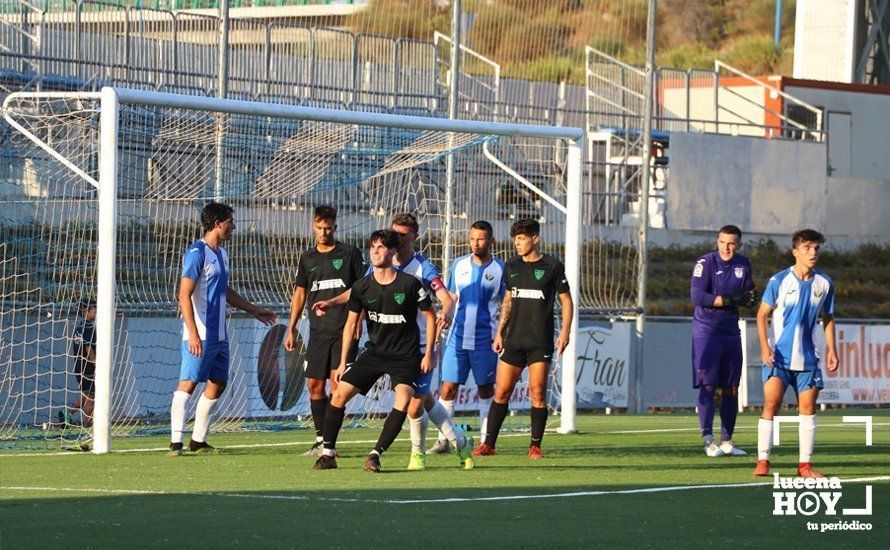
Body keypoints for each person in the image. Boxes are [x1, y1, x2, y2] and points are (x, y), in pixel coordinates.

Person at [313, 229, 472, 471]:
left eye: (381, 247)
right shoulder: (363, 286)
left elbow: (431, 316)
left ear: (393, 251)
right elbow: (350, 325)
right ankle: (327, 454)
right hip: (375, 353)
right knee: (338, 395)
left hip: (407, 356)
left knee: (408, 402)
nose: (375, 251)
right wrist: (342, 362)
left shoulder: (411, 283)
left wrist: (429, 352)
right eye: (372, 247)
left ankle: (377, 453)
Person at [169, 202, 277, 456]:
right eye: (231, 222)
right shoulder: (197, 253)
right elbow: (183, 295)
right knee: (189, 383)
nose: (234, 227)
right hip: (201, 334)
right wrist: (193, 333)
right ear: (218, 223)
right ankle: (175, 443)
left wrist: (254, 309)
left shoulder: (222, 254)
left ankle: (197, 441)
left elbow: (224, 290)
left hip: (219, 334)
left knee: (218, 383)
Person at [375, 213, 470, 471]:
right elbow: (361, 288)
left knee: (414, 404)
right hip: (390, 345)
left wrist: (447, 311)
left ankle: (417, 454)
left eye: (404, 234)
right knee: (425, 398)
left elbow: (446, 296)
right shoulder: (381, 261)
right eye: (395, 233)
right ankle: (460, 441)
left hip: (420, 346)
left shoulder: (422, 268)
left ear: (415, 236)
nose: (399, 239)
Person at [473, 219, 573, 459]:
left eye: (522, 239)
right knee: (502, 392)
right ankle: (489, 444)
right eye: (515, 239)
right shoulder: (512, 266)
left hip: (539, 341)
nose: (517, 244)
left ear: (535, 239)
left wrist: (565, 332)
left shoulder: (552, 266)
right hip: (513, 340)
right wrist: (499, 333)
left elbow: (567, 302)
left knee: (537, 392)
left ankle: (535, 446)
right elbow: (508, 301)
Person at [754, 229, 838, 478]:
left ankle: (805, 466)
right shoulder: (779, 280)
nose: (813, 253)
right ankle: (763, 461)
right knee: (772, 404)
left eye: (816, 249)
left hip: (809, 359)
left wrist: (832, 349)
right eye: (807, 248)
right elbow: (761, 315)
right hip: (778, 357)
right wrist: (764, 347)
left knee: (808, 409)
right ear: (795, 251)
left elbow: (828, 317)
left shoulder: (825, 283)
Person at [285, 205, 365, 456]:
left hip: (344, 330)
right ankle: (320, 440)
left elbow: (362, 288)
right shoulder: (307, 259)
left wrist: (359, 320)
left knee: (336, 386)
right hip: (318, 331)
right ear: (313, 226)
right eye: (320, 228)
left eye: (328, 228)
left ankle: (330, 443)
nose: (324, 232)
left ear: (335, 226)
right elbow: (299, 295)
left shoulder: (350, 253)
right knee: (314, 387)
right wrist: (291, 328)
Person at [428, 220, 505, 454]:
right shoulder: (459, 265)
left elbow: (507, 303)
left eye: (480, 239)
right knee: (448, 389)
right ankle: (444, 441)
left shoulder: (500, 269)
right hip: (457, 338)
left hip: (485, 340)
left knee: (485, 390)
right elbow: (450, 296)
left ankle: (485, 442)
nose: (475, 243)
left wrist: (501, 333)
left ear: (490, 241)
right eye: (472, 238)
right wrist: (445, 312)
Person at [689, 225, 756, 457]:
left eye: (731, 243)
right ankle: (708, 439)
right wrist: (729, 299)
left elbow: (747, 293)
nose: (727, 248)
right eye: (723, 243)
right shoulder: (705, 263)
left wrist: (749, 298)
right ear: (717, 242)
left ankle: (727, 441)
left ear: (738, 244)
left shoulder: (744, 263)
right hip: (707, 331)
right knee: (708, 384)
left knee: (732, 387)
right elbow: (697, 296)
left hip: (730, 331)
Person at [60, 298, 97, 427]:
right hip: (88, 366)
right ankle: (87, 425)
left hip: (79, 366)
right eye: (94, 310)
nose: (97, 313)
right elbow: (88, 347)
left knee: (88, 394)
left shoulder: (79, 327)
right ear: (87, 311)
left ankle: (67, 413)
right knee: (93, 396)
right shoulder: (88, 327)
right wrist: (96, 363)